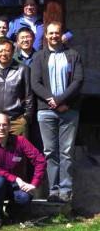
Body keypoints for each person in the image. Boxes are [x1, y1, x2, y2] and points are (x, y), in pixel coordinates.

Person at [31, 21, 84, 203]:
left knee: (66, 152)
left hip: (68, 110)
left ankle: (66, 191)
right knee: (50, 152)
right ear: (46, 36)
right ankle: (54, 191)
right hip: (46, 112)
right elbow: (35, 83)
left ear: (62, 34)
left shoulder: (73, 55)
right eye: (50, 33)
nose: (54, 36)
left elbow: (78, 81)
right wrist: (53, 103)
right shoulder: (39, 56)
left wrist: (60, 101)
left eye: (57, 33)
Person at [0, 113, 46, 230]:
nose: (1, 128)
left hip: (16, 186)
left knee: (25, 197)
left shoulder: (20, 141)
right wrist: (15, 178)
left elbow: (40, 160)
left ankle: (12, 212)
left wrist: (34, 183)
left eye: (4, 124)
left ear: (10, 126)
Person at [0, 38, 35, 138]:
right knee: (0, 152)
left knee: (19, 152)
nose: (3, 53)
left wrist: (26, 118)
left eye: (7, 50)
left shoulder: (23, 69)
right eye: (0, 51)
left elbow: (29, 95)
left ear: (13, 51)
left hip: (17, 120)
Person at [7, 0, 73, 51]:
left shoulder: (44, 21)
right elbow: (6, 40)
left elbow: (68, 33)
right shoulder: (15, 23)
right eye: (26, 5)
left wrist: (66, 36)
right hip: (23, 61)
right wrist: (15, 46)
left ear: (37, 6)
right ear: (23, 7)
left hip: (43, 60)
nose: (29, 7)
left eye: (32, 5)